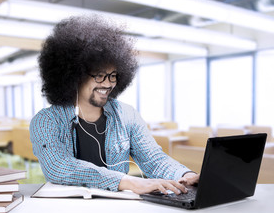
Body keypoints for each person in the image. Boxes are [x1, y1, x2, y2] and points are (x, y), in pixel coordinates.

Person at [30, 15, 199, 195]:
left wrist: (186, 175)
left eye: (113, 75)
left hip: (118, 211)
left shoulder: (127, 115)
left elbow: (153, 158)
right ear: (74, 76)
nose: (108, 83)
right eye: (99, 75)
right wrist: (129, 182)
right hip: (67, 212)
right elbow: (58, 166)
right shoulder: (45, 121)